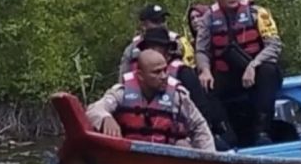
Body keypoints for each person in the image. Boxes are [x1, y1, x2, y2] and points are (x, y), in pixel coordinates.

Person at [195, 0, 283, 146]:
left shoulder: (257, 13)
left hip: (257, 69)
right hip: (228, 74)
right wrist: (204, 70)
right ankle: (224, 133)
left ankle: (262, 131)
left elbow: (274, 45)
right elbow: (201, 50)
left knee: (269, 71)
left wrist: (253, 64)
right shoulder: (208, 19)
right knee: (203, 84)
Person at [86, 50, 216, 151]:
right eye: (156, 72)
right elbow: (94, 109)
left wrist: (209, 157)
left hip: (167, 159)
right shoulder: (122, 92)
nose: (164, 76)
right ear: (140, 76)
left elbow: (199, 126)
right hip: (130, 158)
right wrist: (105, 118)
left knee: (184, 144)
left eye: (165, 70)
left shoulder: (177, 96)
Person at [136, 26, 237, 150]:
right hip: (145, 140)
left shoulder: (183, 74)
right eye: (148, 48)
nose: (151, 52)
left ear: (167, 52)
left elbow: (200, 117)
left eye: (155, 47)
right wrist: (107, 118)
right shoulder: (132, 80)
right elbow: (108, 106)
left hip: (183, 139)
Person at [118, 3, 195, 79]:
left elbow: (190, 70)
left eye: (163, 20)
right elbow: (124, 78)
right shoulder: (132, 49)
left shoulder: (178, 42)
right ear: (143, 25)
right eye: (156, 21)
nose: (161, 24)